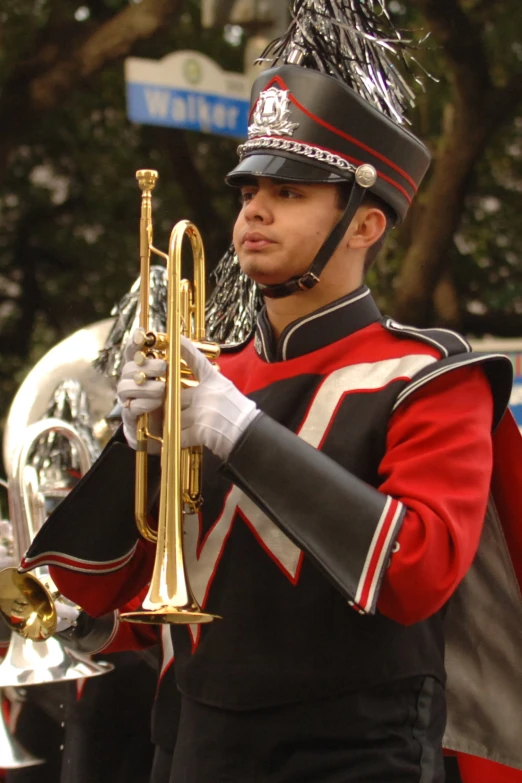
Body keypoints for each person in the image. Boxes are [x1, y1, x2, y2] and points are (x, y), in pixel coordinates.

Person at [18, 1, 522, 781]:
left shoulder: (431, 376)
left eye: (289, 192)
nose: (253, 209)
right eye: (250, 188)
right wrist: (132, 440)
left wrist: (240, 429)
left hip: (359, 755)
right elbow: (105, 602)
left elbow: (416, 570)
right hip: (191, 745)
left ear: (365, 225)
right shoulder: (213, 374)